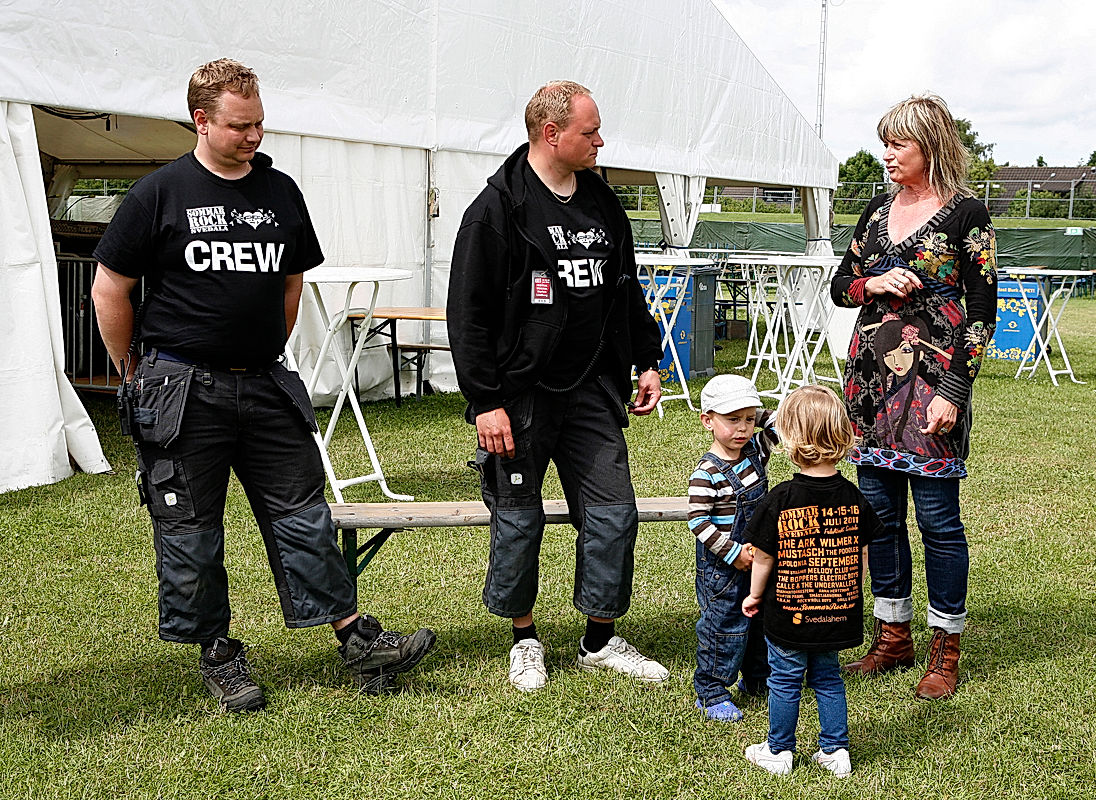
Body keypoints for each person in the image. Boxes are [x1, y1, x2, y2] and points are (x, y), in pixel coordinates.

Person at [91, 58, 435, 713]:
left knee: (304, 516)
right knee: (191, 531)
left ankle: (355, 639)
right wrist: (133, 370)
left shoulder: (278, 192)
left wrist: (268, 350)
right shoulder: (160, 193)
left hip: (266, 386)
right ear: (202, 120)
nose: (254, 136)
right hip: (184, 389)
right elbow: (111, 286)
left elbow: (290, 282)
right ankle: (220, 656)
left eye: (259, 124)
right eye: (239, 126)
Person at [446, 80, 667, 692]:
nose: (600, 141)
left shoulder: (601, 201)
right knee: (519, 518)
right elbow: (468, 314)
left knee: (614, 512)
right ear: (552, 134)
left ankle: (600, 639)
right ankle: (524, 640)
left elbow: (626, 289)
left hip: (594, 385)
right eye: (590, 132)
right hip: (521, 394)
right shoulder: (498, 209)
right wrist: (485, 401)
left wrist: (646, 359)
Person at [829, 93, 998, 700]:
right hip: (871, 383)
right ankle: (892, 635)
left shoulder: (966, 214)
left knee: (938, 521)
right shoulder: (876, 211)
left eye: (898, 144)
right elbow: (840, 288)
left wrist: (955, 387)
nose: (887, 155)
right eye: (886, 143)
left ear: (930, 147)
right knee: (878, 516)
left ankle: (944, 647)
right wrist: (870, 281)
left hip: (934, 382)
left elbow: (982, 307)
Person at [740, 385, 882, 777]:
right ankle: (836, 752)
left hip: (789, 613)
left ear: (789, 439)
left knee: (784, 680)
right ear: (842, 437)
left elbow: (763, 555)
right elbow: (864, 551)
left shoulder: (781, 498)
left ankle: (779, 750)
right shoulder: (855, 497)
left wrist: (754, 595)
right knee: (828, 678)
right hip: (838, 610)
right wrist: (854, 593)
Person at [687, 374, 778, 722]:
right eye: (732, 419)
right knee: (723, 626)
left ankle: (757, 680)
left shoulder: (755, 450)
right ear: (707, 421)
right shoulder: (707, 472)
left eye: (749, 419)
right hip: (722, 569)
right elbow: (698, 521)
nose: (742, 429)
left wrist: (759, 411)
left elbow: (780, 421)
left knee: (760, 621)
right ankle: (710, 691)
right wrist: (732, 553)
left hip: (758, 560)